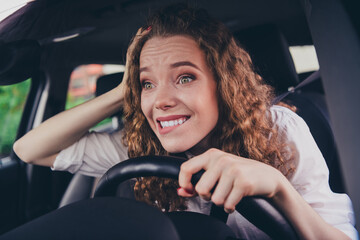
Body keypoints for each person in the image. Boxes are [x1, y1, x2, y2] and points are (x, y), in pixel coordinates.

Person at [13, 3, 357, 240]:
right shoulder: (140, 144)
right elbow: (28, 149)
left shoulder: (279, 129)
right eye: (148, 83)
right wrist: (125, 89)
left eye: (184, 78)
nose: (161, 101)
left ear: (223, 85)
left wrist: (279, 187)